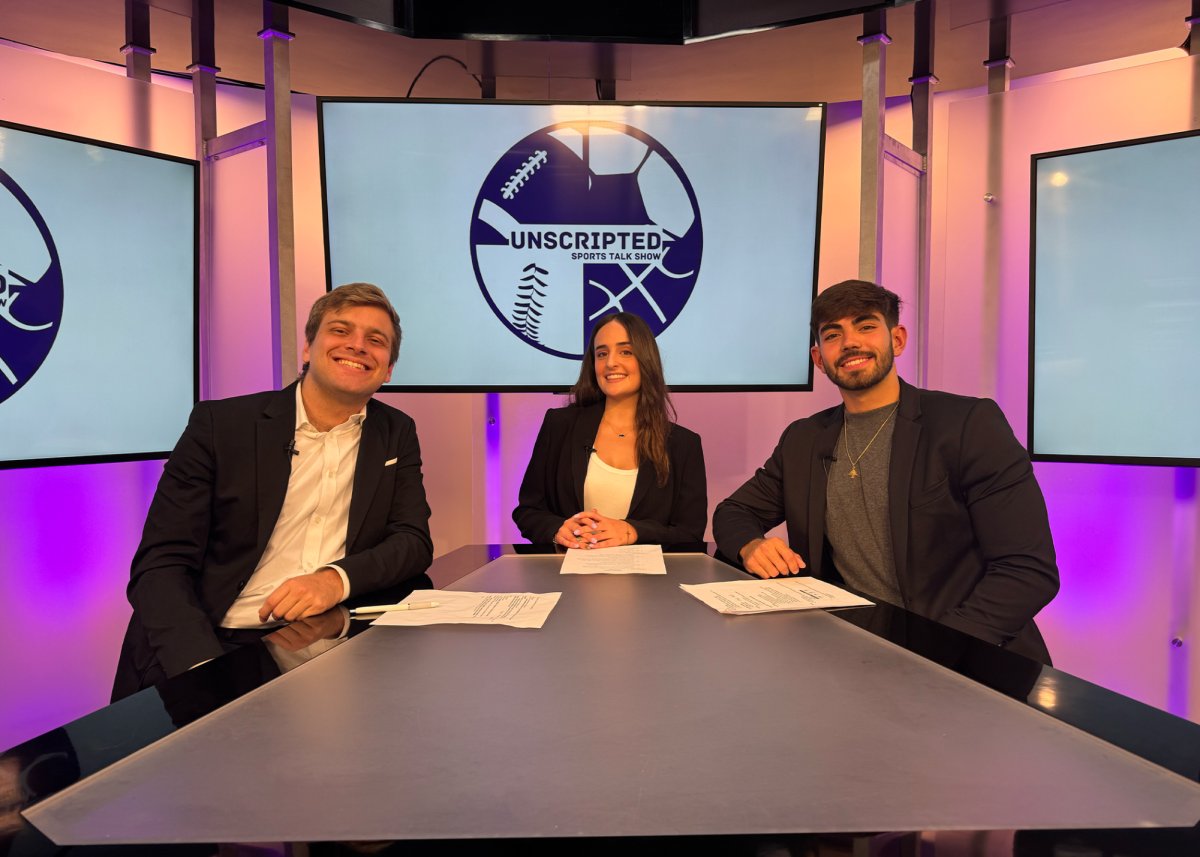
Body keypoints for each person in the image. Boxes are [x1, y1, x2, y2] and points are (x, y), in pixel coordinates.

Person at [112, 283, 433, 700]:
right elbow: (160, 565)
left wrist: (334, 581)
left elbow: (412, 541)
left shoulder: (396, 431)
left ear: (388, 369)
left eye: (376, 340)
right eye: (340, 331)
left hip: (327, 639)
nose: (357, 346)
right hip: (216, 643)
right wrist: (206, 670)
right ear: (307, 348)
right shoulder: (221, 424)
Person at [713, 280, 1059, 663]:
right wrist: (752, 545)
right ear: (819, 359)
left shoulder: (967, 425)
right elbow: (732, 513)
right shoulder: (804, 439)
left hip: (965, 658)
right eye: (833, 335)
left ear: (897, 340)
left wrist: (936, 650)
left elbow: (1028, 569)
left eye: (865, 327)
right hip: (844, 656)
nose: (849, 343)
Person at [514, 312, 707, 549]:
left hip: (648, 584)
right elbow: (528, 511)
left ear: (646, 360)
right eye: (601, 354)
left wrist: (632, 531)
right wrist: (556, 530)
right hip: (568, 578)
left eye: (625, 352)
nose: (610, 363)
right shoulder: (559, 424)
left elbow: (690, 533)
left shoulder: (683, 444)